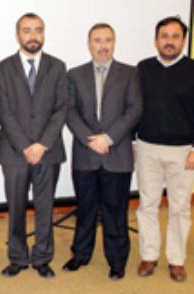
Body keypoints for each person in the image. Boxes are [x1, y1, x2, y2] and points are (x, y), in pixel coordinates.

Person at [62, 23, 142, 280]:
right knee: (85, 209)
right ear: (89, 44)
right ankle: (81, 255)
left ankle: (117, 260)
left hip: (116, 155)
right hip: (85, 156)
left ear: (114, 43)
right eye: (98, 40)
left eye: (108, 40)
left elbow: (134, 110)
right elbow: (69, 111)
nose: (103, 45)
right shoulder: (74, 74)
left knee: (115, 211)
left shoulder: (130, 73)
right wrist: (91, 140)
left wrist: (108, 138)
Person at [0, 13, 68, 278]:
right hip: (14, 151)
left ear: (44, 34)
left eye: (38, 30)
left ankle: (42, 258)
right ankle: (17, 257)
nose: (33, 35)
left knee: (45, 206)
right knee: (15, 207)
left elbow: (61, 109)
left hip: (48, 152)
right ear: (18, 35)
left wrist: (42, 145)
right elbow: (3, 111)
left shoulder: (58, 67)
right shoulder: (3, 68)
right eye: (27, 30)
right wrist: (26, 146)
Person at [135, 17, 194, 282]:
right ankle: (149, 255)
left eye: (175, 36)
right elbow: (134, 108)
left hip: (184, 151)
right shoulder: (143, 68)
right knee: (147, 204)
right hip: (147, 147)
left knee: (179, 207)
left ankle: (176, 259)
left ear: (183, 40)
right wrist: (134, 142)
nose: (169, 41)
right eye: (164, 36)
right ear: (156, 39)